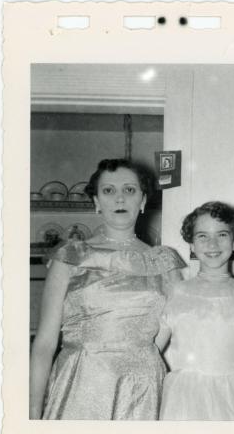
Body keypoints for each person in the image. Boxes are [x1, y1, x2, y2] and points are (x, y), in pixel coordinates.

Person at [29, 158, 185, 420]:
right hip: (82, 382)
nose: (120, 199)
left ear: (143, 200)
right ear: (96, 202)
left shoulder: (164, 261)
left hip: (143, 388)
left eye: (129, 190)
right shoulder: (69, 256)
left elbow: (182, 324)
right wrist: (33, 409)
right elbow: (45, 342)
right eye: (109, 191)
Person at [157, 201, 234, 420]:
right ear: (191, 245)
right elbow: (152, 351)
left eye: (222, 234)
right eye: (202, 236)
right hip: (185, 399)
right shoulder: (175, 291)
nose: (212, 243)